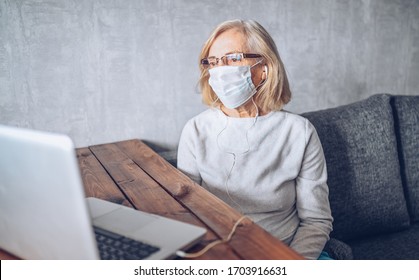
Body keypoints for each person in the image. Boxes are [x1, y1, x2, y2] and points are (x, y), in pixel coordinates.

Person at [177, 19, 333, 260]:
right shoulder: (196, 131)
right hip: (219, 255)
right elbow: (185, 213)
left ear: (264, 68)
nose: (220, 71)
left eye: (233, 59)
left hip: (287, 252)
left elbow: (316, 220)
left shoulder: (299, 132)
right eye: (214, 62)